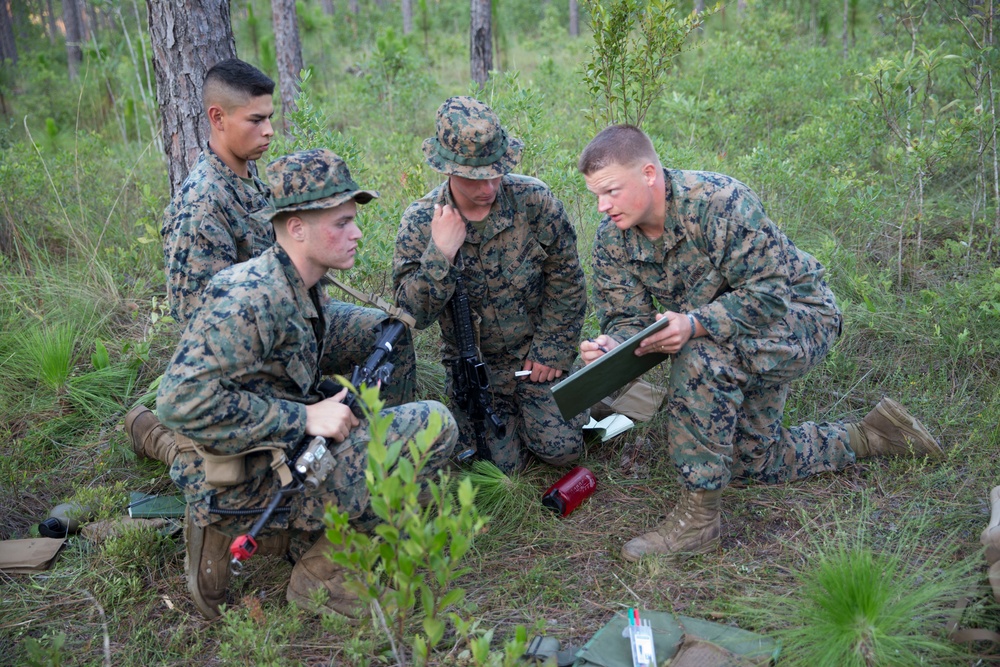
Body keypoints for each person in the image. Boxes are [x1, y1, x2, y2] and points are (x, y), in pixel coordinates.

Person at [577, 124, 943, 562]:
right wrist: (613, 344)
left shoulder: (718, 202)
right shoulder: (612, 238)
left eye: (612, 191)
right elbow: (627, 316)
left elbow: (770, 292)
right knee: (752, 461)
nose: (603, 206)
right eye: (596, 195)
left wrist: (693, 324)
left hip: (799, 316)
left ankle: (697, 522)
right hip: (734, 332)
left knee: (701, 356)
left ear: (649, 174)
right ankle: (872, 436)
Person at [156, 148, 457, 619]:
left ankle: (334, 529)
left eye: (353, 219)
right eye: (341, 223)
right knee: (434, 425)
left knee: (383, 342)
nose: (356, 232)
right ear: (296, 228)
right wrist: (307, 415)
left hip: (276, 447)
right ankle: (319, 576)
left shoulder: (298, 281)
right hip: (244, 479)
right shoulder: (251, 299)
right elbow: (177, 403)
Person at [393, 96, 588, 474]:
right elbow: (410, 315)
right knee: (499, 468)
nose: (488, 186)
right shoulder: (421, 221)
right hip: (475, 370)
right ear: (447, 169)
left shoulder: (534, 201)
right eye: (474, 176)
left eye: (495, 172)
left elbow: (567, 279)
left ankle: (577, 392)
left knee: (562, 451)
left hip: (535, 358)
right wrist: (441, 254)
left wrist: (552, 350)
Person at [126, 58, 277, 467]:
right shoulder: (202, 205)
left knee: (381, 335)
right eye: (256, 120)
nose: (269, 131)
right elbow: (202, 326)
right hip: (243, 362)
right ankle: (167, 442)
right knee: (253, 470)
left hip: (281, 335)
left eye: (270, 118)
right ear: (218, 118)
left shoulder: (247, 176)